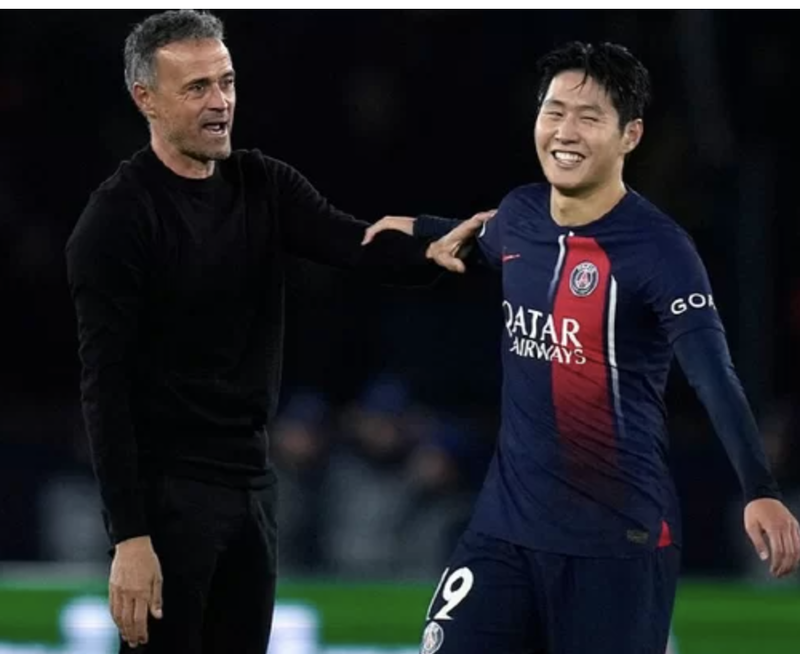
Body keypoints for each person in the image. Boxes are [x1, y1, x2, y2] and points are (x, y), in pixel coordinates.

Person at [64, 9, 483, 654]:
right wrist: (130, 537)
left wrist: (442, 242)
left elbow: (356, 245)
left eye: (227, 81)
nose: (220, 103)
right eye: (197, 88)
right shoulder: (116, 220)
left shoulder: (262, 184)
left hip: (255, 490)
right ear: (145, 98)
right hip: (169, 499)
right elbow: (104, 390)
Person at [365, 41, 800, 654]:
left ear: (630, 135)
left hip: (615, 544)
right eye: (554, 112)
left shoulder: (659, 250)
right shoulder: (520, 214)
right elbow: (478, 240)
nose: (565, 132)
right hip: (504, 533)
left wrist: (760, 489)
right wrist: (413, 230)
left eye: (589, 117)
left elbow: (712, 375)